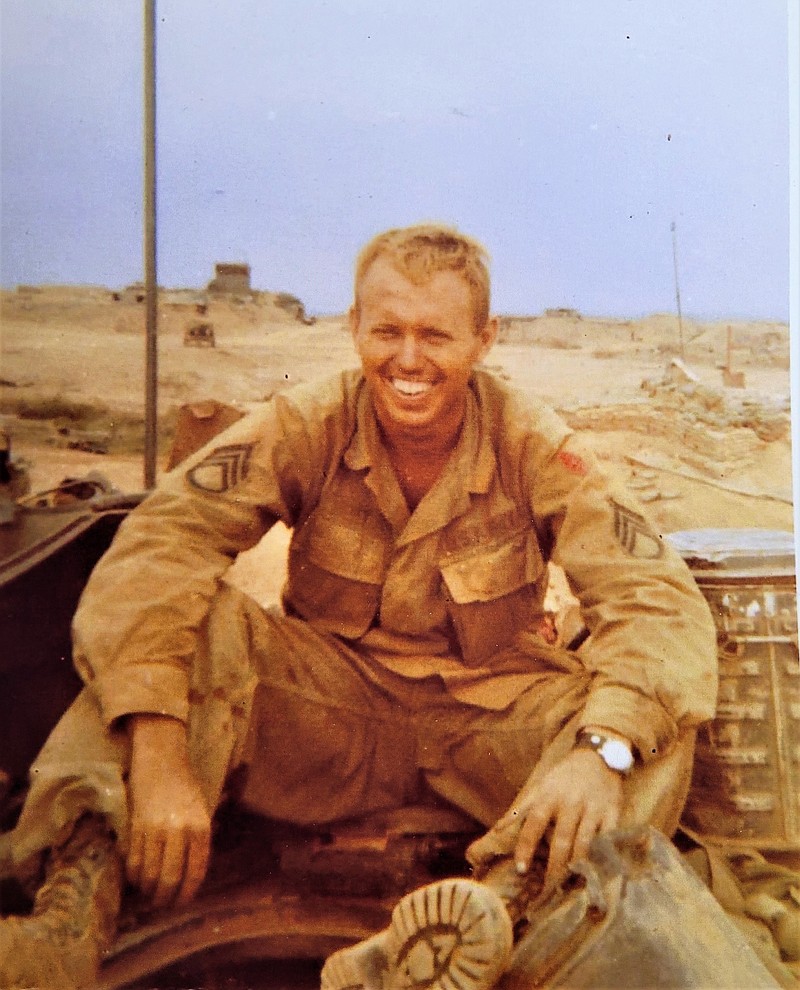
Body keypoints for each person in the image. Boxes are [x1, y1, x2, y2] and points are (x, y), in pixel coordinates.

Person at [0, 224, 717, 989]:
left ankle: (489, 919)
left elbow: (658, 600)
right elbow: (162, 543)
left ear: (484, 339)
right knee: (192, 628)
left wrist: (600, 751)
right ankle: (72, 914)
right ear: (353, 329)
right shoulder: (307, 421)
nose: (408, 360)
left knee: (652, 724)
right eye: (388, 332)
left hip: (491, 718)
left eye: (435, 335)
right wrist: (158, 748)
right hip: (327, 712)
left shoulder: (536, 444)